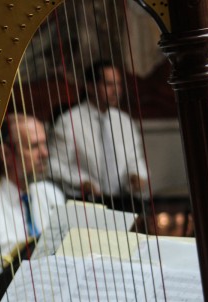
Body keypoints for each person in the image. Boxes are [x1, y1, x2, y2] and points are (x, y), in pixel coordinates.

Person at [0, 112, 67, 288]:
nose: (45, 153)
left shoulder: (50, 193)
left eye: (44, 144)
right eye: (33, 146)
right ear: (6, 154)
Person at [49, 60, 148, 199]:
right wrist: (82, 182)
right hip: (86, 201)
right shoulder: (69, 121)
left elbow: (135, 159)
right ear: (90, 87)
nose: (116, 91)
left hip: (122, 200)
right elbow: (54, 165)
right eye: (108, 84)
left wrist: (135, 175)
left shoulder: (124, 122)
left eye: (118, 84)